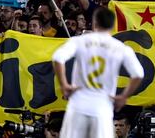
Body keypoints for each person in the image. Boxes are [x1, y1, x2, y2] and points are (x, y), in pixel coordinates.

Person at [52, 8, 145, 138]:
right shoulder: (120, 47)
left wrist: (64, 85)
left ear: (94, 23)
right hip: (102, 108)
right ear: (113, 26)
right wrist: (124, 96)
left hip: (78, 105)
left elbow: (58, 57)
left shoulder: (79, 41)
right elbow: (139, 74)